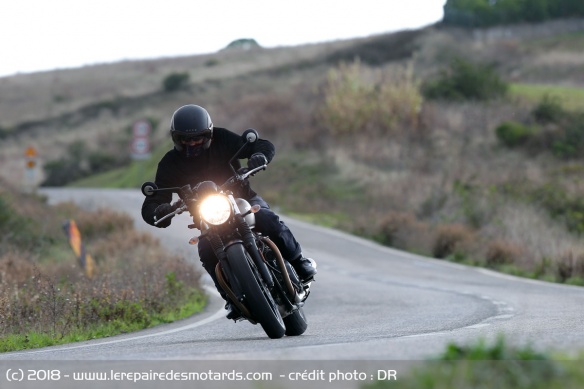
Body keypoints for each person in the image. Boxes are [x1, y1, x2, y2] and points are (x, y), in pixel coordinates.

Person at [141, 104, 317, 319]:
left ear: (209, 134)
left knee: (268, 220)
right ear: (176, 139)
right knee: (206, 252)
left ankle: (299, 261)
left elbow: (260, 145)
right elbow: (153, 201)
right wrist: (161, 209)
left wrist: (259, 155)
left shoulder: (223, 139)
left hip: (242, 200)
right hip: (208, 218)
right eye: (185, 139)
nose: (192, 143)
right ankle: (230, 297)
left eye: (198, 137)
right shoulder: (169, 163)